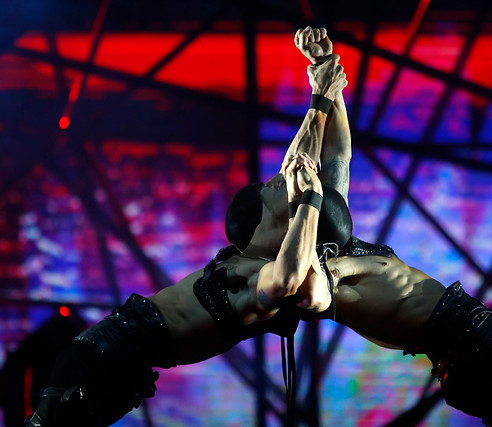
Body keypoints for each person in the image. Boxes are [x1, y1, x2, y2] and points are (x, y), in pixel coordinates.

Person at [25, 51, 350, 427]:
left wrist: (311, 197)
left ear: (288, 215)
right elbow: (332, 159)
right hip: (108, 355)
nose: (284, 176)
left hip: (108, 359)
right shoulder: (244, 256)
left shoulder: (259, 277)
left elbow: (288, 277)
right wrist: (325, 88)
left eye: (280, 186)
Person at [284, 26, 492, 426]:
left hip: (469, 347)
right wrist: (300, 197)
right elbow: (308, 291)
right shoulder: (314, 271)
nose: (294, 186)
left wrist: (327, 77)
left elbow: (337, 158)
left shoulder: (333, 241)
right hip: (473, 344)